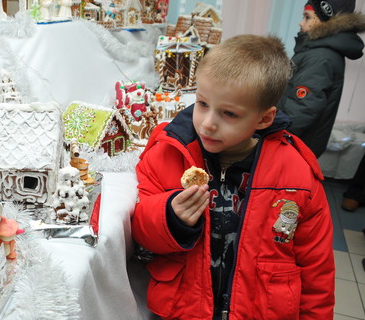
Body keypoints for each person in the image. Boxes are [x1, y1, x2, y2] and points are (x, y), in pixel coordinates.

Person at [132, 35, 335, 319]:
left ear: (264, 118)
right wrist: (169, 217)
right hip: (184, 309)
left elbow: (318, 271)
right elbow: (140, 232)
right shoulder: (167, 154)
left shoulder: (297, 175)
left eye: (228, 113)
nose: (208, 123)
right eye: (202, 104)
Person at [276, 0, 365, 158]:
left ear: (325, 23)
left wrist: (270, 133)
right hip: (294, 144)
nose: (301, 22)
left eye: (307, 17)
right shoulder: (316, 52)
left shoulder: (320, 57)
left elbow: (301, 110)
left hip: (292, 146)